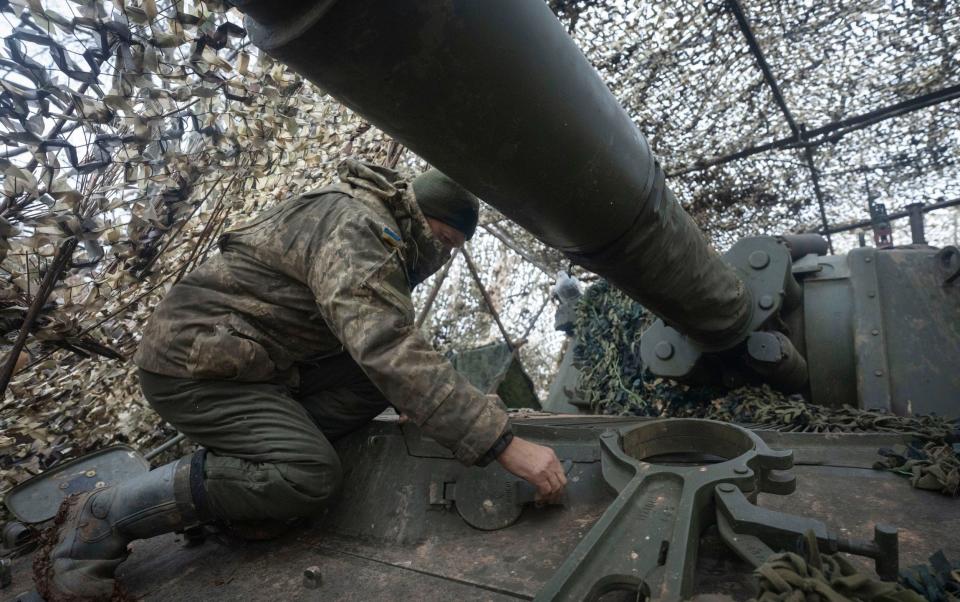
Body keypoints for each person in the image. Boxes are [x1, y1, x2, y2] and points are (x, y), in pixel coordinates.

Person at [34, 159, 568, 600]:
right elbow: (384, 343)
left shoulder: (370, 219)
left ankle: (246, 483)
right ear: (423, 217)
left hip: (252, 358)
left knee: (374, 381)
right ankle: (103, 517)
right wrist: (499, 441)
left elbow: (378, 348)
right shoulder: (363, 230)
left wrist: (426, 401)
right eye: (444, 241)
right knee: (306, 475)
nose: (442, 255)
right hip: (195, 366)